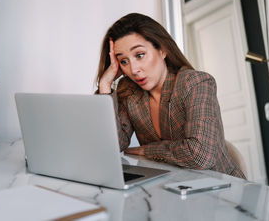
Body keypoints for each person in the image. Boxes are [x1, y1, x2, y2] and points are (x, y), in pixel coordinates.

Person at [96, 13, 246, 179]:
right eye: (124, 61)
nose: (133, 69)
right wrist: (105, 87)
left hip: (221, 188)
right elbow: (112, 145)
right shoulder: (129, 91)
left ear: (162, 50)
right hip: (170, 187)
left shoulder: (196, 83)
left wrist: (145, 151)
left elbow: (200, 156)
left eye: (139, 55)